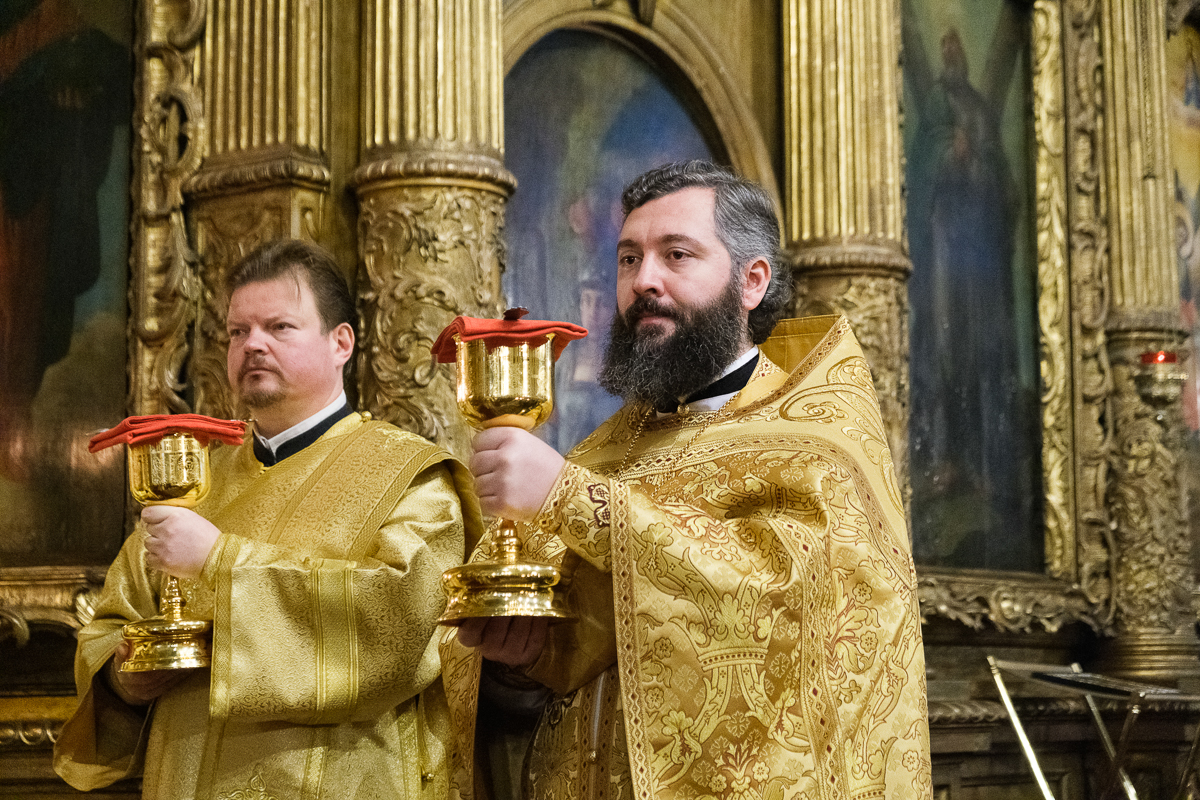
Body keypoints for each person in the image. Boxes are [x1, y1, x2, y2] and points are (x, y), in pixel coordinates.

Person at [441, 161, 931, 799]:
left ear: (752, 282)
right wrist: (526, 655)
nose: (644, 280)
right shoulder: (613, 447)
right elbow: (598, 641)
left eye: (677, 255)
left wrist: (569, 497)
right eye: (627, 259)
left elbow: (778, 612)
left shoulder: (818, 438)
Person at [54, 239, 480, 799]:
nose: (252, 344)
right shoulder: (191, 481)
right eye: (237, 331)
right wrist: (123, 679)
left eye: (279, 327)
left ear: (340, 343)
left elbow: (399, 623)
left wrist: (218, 561)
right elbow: (112, 624)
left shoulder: (412, 477)